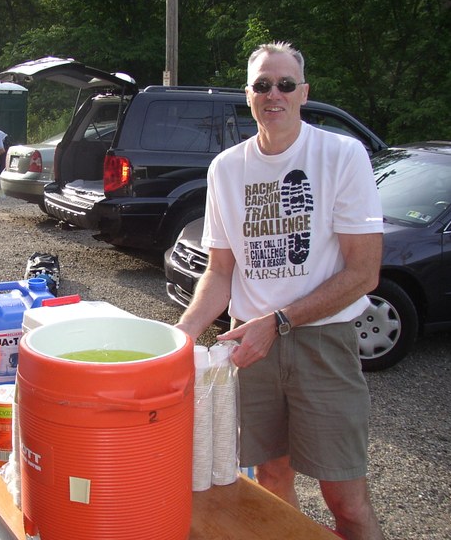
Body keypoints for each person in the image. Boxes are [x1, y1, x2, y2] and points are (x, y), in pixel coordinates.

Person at [175, 42, 385, 540]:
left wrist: (280, 321)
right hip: (251, 349)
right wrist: (182, 333)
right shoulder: (226, 168)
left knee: (346, 500)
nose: (275, 94)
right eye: (263, 85)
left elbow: (365, 273)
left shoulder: (341, 154)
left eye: (285, 84)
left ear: (303, 93)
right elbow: (221, 270)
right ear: (247, 96)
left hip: (323, 342)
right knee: (270, 478)